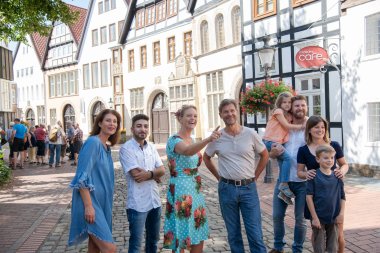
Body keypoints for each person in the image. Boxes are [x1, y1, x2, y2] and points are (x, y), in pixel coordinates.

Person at [204, 99, 269, 253]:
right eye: (225, 111)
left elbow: (265, 155)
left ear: (237, 111)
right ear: (220, 115)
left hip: (248, 188)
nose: (229, 114)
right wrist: (218, 177)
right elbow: (206, 157)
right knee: (233, 234)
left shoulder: (250, 134)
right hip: (226, 189)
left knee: (255, 233)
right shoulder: (217, 137)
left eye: (232, 110)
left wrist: (255, 176)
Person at [163, 105, 220, 253]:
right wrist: (208, 139)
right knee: (182, 229)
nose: (192, 118)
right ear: (180, 118)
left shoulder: (192, 139)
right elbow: (188, 152)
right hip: (181, 190)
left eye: (195, 116)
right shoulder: (174, 140)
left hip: (195, 190)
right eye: (189, 115)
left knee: (197, 227)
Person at [68, 109, 121, 253]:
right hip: (90, 202)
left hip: (103, 203)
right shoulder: (93, 142)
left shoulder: (106, 147)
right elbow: (81, 176)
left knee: (95, 248)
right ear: (99, 123)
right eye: (108, 120)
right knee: (109, 249)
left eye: (115, 121)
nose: (112, 124)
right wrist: (89, 206)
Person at [297, 115, 349, 253]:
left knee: (338, 235)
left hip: (333, 195)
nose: (320, 130)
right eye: (316, 127)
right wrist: (306, 174)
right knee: (317, 234)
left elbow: (344, 165)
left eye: (322, 127)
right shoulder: (303, 150)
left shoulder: (334, 145)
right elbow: (300, 172)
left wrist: (341, 172)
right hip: (315, 196)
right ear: (309, 129)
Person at [119, 114, 165, 253]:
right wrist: (154, 174)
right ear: (132, 129)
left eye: (145, 126)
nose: (142, 129)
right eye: (139, 126)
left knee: (153, 241)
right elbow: (136, 175)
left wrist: (150, 174)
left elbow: (162, 170)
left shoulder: (151, 147)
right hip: (137, 204)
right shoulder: (126, 148)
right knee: (136, 244)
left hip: (155, 201)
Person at [269, 95, 309, 253]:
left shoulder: (310, 126)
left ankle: (297, 249)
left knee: (300, 220)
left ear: (306, 107)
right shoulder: (283, 126)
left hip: (303, 182)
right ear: (291, 108)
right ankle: (278, 247)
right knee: (277, 216)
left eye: (303, 105)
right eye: (297, 105)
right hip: (283, 180)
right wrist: (272, 153)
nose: (300, 108)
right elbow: (271, 155)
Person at [263, 92, 304, 205]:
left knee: (283, 163)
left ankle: (283, 193)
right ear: (279, 103)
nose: (287, 104)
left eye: (289, 102)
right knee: (287, 159)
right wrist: (302, 127)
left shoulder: (289, 116)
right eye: (284, 102)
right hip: (270, 140)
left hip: (278, 143)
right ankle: (284, 184)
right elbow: (286, 126)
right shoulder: (278, 112)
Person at [306, 144, 345, 253]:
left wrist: (341, 214)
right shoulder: (313, 176)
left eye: (332, 158)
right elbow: (308, 197)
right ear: (317, 159)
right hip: (318, 217)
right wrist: (314, 218)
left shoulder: (338, 176)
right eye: (326, 158)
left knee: (333, 247)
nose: (329, 160)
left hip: (334, 217)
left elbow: (343, 196)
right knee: (319, 247)